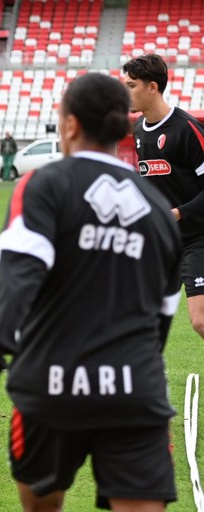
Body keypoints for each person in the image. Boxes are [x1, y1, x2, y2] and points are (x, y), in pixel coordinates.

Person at [0, 73, 182, 511]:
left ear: (70, 125)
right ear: (123, 129)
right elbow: (163, 312)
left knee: (42, 505)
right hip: (135, 388)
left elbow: (18, 277)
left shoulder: (42, 185)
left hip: (51, 384)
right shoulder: (157, 206)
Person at [122, 53, 204, 345]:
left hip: (197, 239)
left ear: (152, 87)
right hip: (162, 241)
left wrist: (178, 213)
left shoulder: (187, 129)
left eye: (131, 85)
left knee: (201, 321)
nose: (126, 91)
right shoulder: (139, 130)